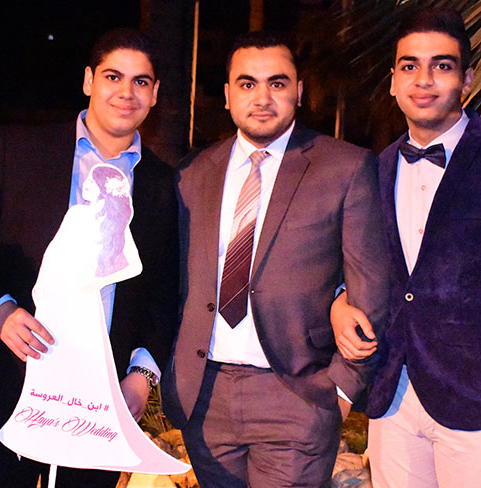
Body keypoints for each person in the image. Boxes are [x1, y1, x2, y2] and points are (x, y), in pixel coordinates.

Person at [330, 9, 481, 487]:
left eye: (442, 65)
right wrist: (339, 302)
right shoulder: (373, 170)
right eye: (410, 66)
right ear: (393, 81)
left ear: (467, 79)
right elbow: (355, 264)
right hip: (393, 395)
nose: (424, 80)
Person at [0, 28, 178, 487]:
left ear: (154, 94)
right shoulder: (18, 150)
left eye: (141, 81)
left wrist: (141, 376)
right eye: (113, 76)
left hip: (100, 402)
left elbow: (165, 290)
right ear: (89, 80)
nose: (126, 92)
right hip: (9, 383)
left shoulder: (165, 185)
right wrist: (0, 311)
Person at [161, 31, 389, 487]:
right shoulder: (192, 172)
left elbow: (371, 283)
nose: (262, 98)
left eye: (277, 83)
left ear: (298, 91)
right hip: (206, 397)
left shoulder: (344, 167)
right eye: (247, 84)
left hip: (297, 397)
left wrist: (343, 387)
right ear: (227, 94)